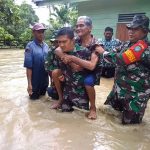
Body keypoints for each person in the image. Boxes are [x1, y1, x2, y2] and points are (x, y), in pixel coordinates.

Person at [95, 15, 150, 124]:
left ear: (145, 31)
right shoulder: (127, 44)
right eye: (130, 28)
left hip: (135, 97)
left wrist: (103, 52)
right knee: (108, 118)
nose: (130, 32)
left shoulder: (143, 48)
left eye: (135, 29)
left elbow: (120, 59)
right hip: (118, 91)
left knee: (130, 130)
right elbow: (114, 51)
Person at [52, 16, 103, 119]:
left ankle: (93, 108)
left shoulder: (96, 44)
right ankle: (61, 99)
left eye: (81, 25)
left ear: (90, 28)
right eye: (77, 26)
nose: (78, 28)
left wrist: (72, 59)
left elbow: (92, 66)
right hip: (77, 68)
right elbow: (58, 49)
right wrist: (70, 63)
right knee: (56, 72)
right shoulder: (76, 39)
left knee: (88, 82)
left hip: (90, 71)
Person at [52, 27, 93, 112]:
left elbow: (91, 74)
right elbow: (57, 69)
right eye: (59, 42)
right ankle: (60, 99)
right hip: (67, 93)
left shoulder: (84, 52)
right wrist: (61, 75)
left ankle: (93, 108)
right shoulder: (59, 53)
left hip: (81, 94)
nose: (61, 45)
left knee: (82, 118)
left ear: (73, 40)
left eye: (64, 41)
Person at [24, 23, 49, 100]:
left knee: (43, 101)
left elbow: (49, 65)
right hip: (35, 84)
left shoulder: (46, 46)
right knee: (33, 101)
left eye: (42, 32)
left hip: (45, 82)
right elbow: (28, 67)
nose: (41, 34)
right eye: (39, 32)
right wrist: (29, 85)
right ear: (33, 32)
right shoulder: (29, 47)